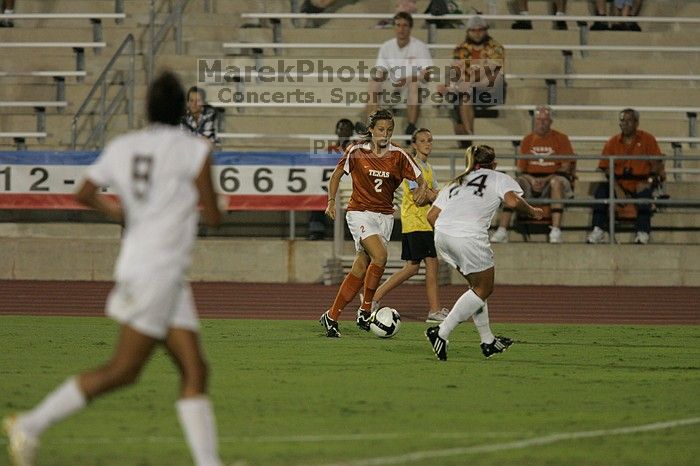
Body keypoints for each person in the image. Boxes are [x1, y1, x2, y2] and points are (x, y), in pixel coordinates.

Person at [2, 71, 224, 466]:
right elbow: (214, 217)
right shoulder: (194, 149)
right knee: (122, 371)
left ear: (147, 108)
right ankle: (30, 425)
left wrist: (120, 213)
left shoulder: (124, 145)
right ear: (182, 111)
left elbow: (84, 192)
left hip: (156, 272)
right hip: (158, 272)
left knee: (196, 370)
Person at [425, 145, 544, 361]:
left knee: (477, 288)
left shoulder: (457, 181)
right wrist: (533, 211)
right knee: (483, 288)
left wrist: (451, 232)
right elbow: (512, 201)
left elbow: (431, 216)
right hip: (468, 237)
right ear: (494, 164)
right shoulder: (498, 177)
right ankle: (440, 332)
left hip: (442, 235)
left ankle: (487, 341)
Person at [319, 108, 428, 338]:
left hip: (384, 217)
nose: (385, 134)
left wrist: (422, 190)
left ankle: (331, 316)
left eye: (389, 130)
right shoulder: (357, 150)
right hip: (360, 212)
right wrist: (330, 201)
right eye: (380, 129)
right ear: (371, 130)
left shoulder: (399, 154)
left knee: (361, 267)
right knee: (380, 256)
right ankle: (366, 309)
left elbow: (419, 177)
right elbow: (337, 175)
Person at [371, 128, 450, 323]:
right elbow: (419, 198)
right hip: (416, 222)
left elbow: (434, 195)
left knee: (412, 268)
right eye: (423, 140)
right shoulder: (412, 167)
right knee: (432, 263)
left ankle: (373, 297)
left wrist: (432, 194)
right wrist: (432, 194)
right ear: (414, 144)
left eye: (430, 140)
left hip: (422, 223)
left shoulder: (428, 168)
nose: (427, 144)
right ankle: (434, 310)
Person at [490, 105, 576, 244]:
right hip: (531, 179)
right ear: (534, 121)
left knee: (557, 183)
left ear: (550, 121)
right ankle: (502, 230)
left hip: (554, 178)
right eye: (539, 120)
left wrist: (546, 179)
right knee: (513, 183)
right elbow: (520, 168)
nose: (542, 123)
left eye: (545, 120)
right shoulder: (528, 139)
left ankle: (555, 231)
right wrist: (532, 179)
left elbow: (565, 167)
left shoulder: (561, 138)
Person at [587, 108, 664, 245]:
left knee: (645, 192)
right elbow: (605, 168)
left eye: (629, 121)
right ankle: (598, 229)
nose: (625, 124)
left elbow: (658, 164)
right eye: (622, 121)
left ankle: (642, 232)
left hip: (641, 181)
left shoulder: (648, 139)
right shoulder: (612, 142)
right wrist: (616, 188)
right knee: (602, 191)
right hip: (619, 183)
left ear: (636, 123)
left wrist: (649, 181)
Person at [438, 15, 505, 148]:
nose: (477, 33)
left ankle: (458, 92)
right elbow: (456, 70)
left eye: (480, 30)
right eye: (473, 30)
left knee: (495, 77)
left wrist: (469, 82)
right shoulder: (461, 49)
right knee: (464, 95)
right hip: (468, 88)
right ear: (468, 31)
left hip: (490, 89)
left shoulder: (495, 47)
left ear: (486, 30)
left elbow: (491, 68)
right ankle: (468, 137)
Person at [366, 12, 433, 141]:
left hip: (412, 85)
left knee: (414, 85)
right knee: (373, 83)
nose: (401, 29)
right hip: (392, 84)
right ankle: (370, 128)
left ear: (410, 27)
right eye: (398, 25)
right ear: (394, 27)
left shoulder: (420, 46)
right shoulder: (386, 46)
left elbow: (427, 74)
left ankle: (411, 127)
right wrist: (378, 78)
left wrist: (407, 79)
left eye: (405, 25)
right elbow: (381, 70)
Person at [308, 118, 356, 240]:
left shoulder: (356, 150)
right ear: (336, 131)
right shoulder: (328, 151)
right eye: (341, 129)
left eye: (347, 129)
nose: (344, 132)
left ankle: (354, 234)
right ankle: (316, 230)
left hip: (351, 188)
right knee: (317, 197)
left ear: (352, 132)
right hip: (331, 187)